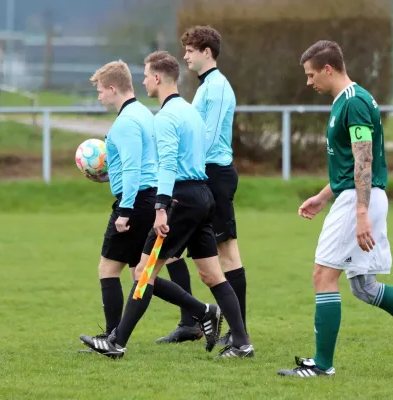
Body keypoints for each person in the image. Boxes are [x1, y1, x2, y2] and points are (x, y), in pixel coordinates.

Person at [277, 40, 393, 378]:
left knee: (323, 275)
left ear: (328, 69)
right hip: (355, 196)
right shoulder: (345, 102)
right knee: (364, 287)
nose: (308, 82)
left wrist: (361, 213)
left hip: (358, 201)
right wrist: (322, 196)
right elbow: (350, 164)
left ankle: (322, 365)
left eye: (311, 74)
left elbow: (364, 159)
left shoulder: (355, 103)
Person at [79, 51, 254, 359]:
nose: (143, 81)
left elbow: (168, 164)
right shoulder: (190, 112)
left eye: (146, 76)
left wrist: (161, 207)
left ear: (158, 78)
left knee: (144, 272)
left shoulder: (166, 118)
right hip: (202, 195)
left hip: (180, 200)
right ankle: (241, 341)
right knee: (212, 275)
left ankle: (116, 341)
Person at [156, 25, 247, 346]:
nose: (185, 56)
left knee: (227, 253)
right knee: (176, 251)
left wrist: (187, 169)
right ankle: (191, 323)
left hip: (214, 176)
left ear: (206, 52)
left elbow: (206, 138)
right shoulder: (206, 87)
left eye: (191, 51)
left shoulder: (218, 87)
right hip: (200, 176)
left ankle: (238, 333)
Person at [79, 60, 159, 346]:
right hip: (148, 198)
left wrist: (124, 211)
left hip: (134, 202)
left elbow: (134, 169)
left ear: (113, 89)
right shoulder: (143, 113)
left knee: (108, 269)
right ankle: (202, 311)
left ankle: (111, 337)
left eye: (100, 91)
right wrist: (107, 177)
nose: (99, 96)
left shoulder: (125, 122)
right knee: (143, 271)